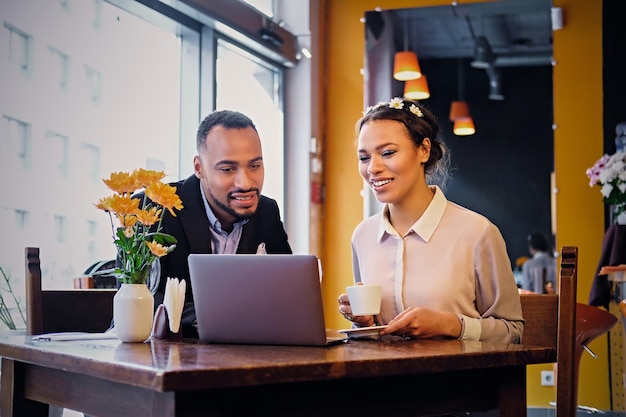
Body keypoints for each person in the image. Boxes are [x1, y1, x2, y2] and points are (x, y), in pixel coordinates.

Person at [337, 97, 523, 344]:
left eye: (388, 152)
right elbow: (375, 337)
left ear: (423, 150)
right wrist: (366, 323)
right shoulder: (362, 236)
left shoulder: (478, 233)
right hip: (380, 380)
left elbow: (513, 332)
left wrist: (451, 325)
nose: (373, 168)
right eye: (364, 157)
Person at [147, 109, 292, 337]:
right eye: (228, 169)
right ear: (199, 168)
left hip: (241, 359)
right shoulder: (153, 210)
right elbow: (147, 304)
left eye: (254, 166)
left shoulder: (267, 212)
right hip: (165, 360)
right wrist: (234, 316)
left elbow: (288, 298)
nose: (245, 183)